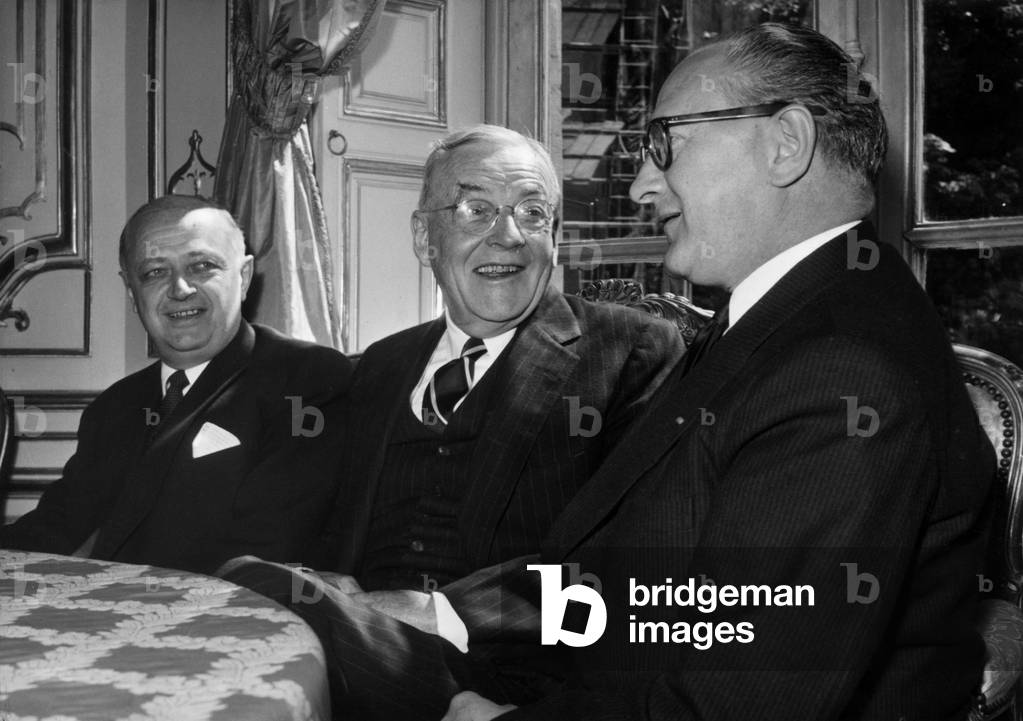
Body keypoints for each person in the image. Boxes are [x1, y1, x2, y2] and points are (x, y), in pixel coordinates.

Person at [442, 23, 994, 721]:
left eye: (664, 143)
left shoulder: (842, 367)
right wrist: (446, 615)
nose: (641, 185)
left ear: (785, 143)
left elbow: (737, 703)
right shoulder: (781, 320)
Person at [219, 124, 685, 719]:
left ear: (554, 237)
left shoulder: (630, 350)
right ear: (425, 237)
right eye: (476, 210)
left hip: (512, 674)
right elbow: (328, 512)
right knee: (253, 586)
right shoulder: (382, 365)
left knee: (249, 591)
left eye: (533, 213)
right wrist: (323, 579)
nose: (508, 236)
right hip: (363, 643)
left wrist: (442, 611)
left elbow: (636, 550)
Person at [1, 196, 352, 575]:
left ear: (244, 276)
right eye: (154, 272)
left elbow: (270, 550)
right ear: (131, 291)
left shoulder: (307, 379)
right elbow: (56, 528)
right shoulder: (114, 406)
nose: (180, 288)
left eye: (202, 266)